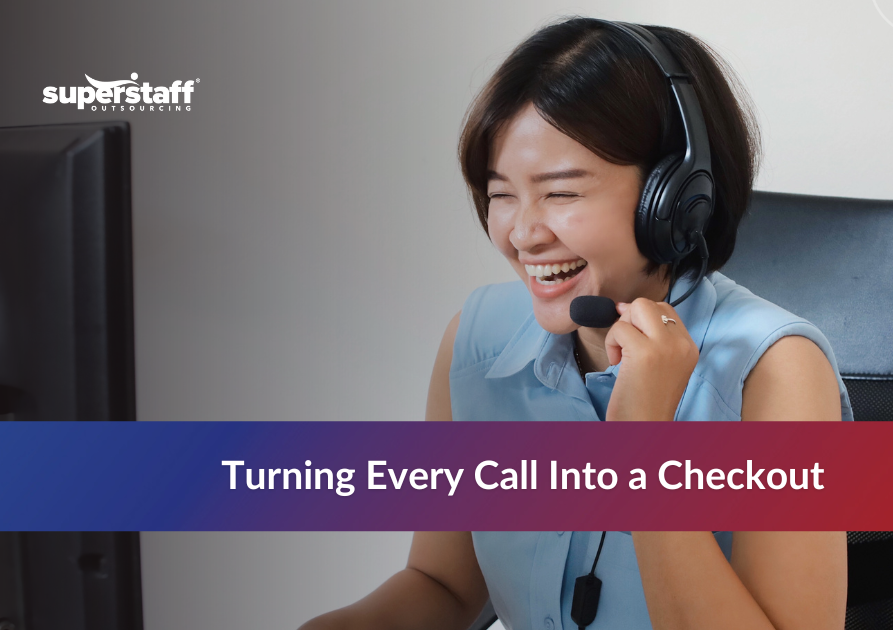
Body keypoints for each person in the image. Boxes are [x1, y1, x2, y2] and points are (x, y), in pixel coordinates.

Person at [300, 16, 852, 630]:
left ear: (673, 199)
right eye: (501, 194)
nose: (523, 233)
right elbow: (445, 586)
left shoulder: (777, 373)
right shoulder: (478, 340)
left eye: (561, 193)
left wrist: (644, 447)